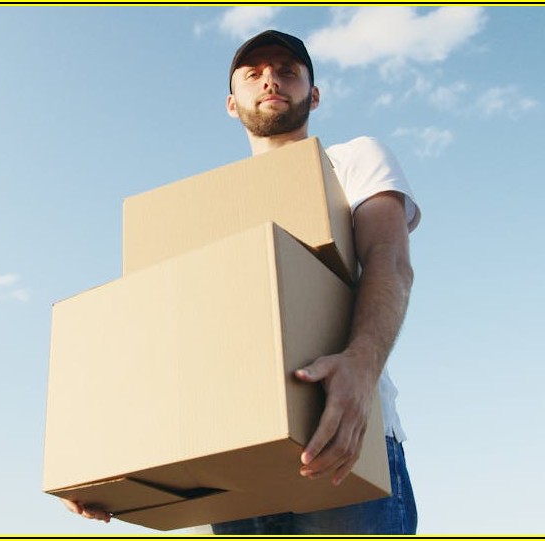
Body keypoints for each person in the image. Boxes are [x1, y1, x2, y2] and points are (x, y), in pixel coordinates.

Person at [64, 29, 420, 535]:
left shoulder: (353, 158)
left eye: (288, 71)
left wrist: (363, 365)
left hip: (343, 440)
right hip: (235, 464)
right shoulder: (208, 208)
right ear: (232, 104)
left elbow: (390, 261)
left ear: (314, 94)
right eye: (254, 74)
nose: (271, 80)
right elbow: (162, 333)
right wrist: (109, 462)